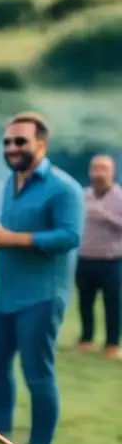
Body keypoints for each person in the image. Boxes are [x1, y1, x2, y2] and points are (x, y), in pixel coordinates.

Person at [0, 112, 84, 444]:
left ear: (41, 143)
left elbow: (70, 236)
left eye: (20, 141)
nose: (12, 147)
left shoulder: (64, 188)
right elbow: (8, 230)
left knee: (37, 374)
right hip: (3, 294)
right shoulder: (11, 182)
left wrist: (10, 239)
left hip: (42, 297)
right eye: (7, 142)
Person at [75, 154, 122, 359]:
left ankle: (112, 344)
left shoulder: (120, 197)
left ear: (113, 172)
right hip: (85, 257)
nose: (99, 174)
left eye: (104, 169)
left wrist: (105, 216)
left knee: (113, 303)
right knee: (85, 301)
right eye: (95, 169)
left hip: (112, 260)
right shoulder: (82, 196)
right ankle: (86, 339)